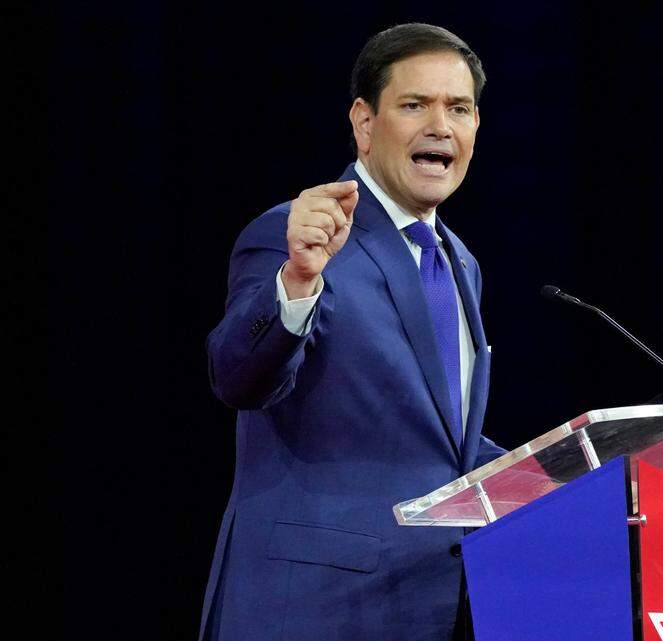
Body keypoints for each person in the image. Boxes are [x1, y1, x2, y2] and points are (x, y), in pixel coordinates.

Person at [199, 23, 506, 641]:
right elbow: (237, 377)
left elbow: (436, 445)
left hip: (423, 606)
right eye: (414, 105)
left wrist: (576, 472)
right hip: (311, 609)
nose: (440, 126)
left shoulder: (460, 263)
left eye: (459, 108)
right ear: (365, 123)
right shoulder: (297, 235)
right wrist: (297, 281)